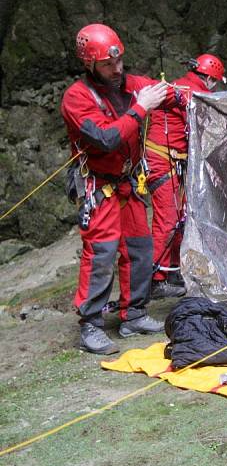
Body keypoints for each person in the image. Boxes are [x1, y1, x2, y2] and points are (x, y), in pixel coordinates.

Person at [61, 23, 175, 354]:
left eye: (120, 61)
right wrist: (142, 107)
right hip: (100, 185)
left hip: (128, 184)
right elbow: (107, 139)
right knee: (101, 255)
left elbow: (166, 94)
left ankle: (134, 314)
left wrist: (185, 97)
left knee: (140, 249)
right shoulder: (77, 98)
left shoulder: (127, 85)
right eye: (108, 64)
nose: (117, 69)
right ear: (89, 64)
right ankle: (91, 325)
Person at [146, 54, 226, 299]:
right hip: (162, 161)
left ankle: (170, 271)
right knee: (168, 221)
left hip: (173, 161)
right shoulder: (189, 91)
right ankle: (154, 279)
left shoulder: (186, 87)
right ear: (210, 78)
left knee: (179, 218)